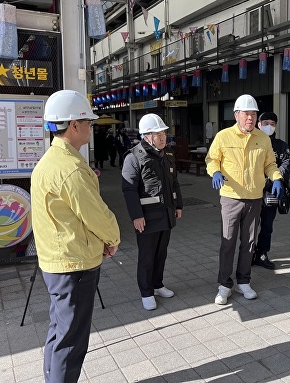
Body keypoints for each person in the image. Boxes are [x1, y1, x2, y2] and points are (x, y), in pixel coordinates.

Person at [31, 89, 120, 383]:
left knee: (59, 332)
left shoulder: (51, 162)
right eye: (88, 122)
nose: (91, 127)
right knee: (71, 342)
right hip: (74, 265)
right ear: (73, 125)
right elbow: (96, 214)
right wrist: (112, 239)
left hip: (58, 261)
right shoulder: (70, 168)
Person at [205, 94, 283, 305]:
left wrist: (276, 178)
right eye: (246, 113)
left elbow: (270, 165)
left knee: (249, 243)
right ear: (236, 115)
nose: (250, 117)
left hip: (255, 198)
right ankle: (224, 285)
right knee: (228, 242)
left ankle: (243, 281)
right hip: (231, 197)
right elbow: (212, 160)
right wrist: (215, 172)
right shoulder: (223, 136)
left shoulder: (263, 138)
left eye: (253, 113)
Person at [121, 113, 183, 311]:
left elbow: (174, 183)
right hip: (147, 218)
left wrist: (178, 205)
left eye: (164, 133)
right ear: (147, 136)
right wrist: (136, 215)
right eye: (158, 134)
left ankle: (158, 284)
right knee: (147, 256)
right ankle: (146, 292)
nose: (163, 137)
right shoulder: (133, 158)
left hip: (166, 214)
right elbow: (129, 189)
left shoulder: (167, 156)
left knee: (161, 253)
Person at [252, 111, 290, 269]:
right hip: (252, 191)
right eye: (266, 123)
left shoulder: (281, 145)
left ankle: (262, 253)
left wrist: (272, 180)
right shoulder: (251, 141)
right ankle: (248, 254)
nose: (269, 126)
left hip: (271, 191)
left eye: (272, 124)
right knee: (250, 226)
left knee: (267, 225)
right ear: (258, 124)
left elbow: (286, 164)